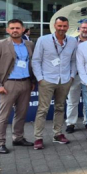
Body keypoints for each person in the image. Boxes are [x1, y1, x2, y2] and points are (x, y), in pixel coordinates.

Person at [32, 16, 77, 150]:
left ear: (68, 27)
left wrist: (72, 76)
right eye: (59, 26)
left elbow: (73, 61)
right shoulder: (43, 40)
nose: (62, 28)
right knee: (43, 110)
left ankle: (57, 134)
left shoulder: (72, 41)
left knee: (60, 108)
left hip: (64, 80)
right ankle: (38, 137)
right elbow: (36, 60)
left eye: (64, 26)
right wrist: (40, 78)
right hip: (47, 80)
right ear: (54, 26)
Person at [0, 19, 36, 153]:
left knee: (21, 113)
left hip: (26, 83)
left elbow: (31, 63)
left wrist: (32, 81)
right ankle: (1, 142)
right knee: (3, 116)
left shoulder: (29, 44)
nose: (15, 30)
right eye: (12, 28)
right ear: (7, 30)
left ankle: (18, 138)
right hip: (8, 84)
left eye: (17, 28)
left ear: (22, 30)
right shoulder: (2, 44)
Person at [66, 21, 87, 133]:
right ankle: (71, 123)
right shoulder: (72, 42)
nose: (85, 30)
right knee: (72, 101)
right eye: (83, 28)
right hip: (74, 76)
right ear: (79, 29)